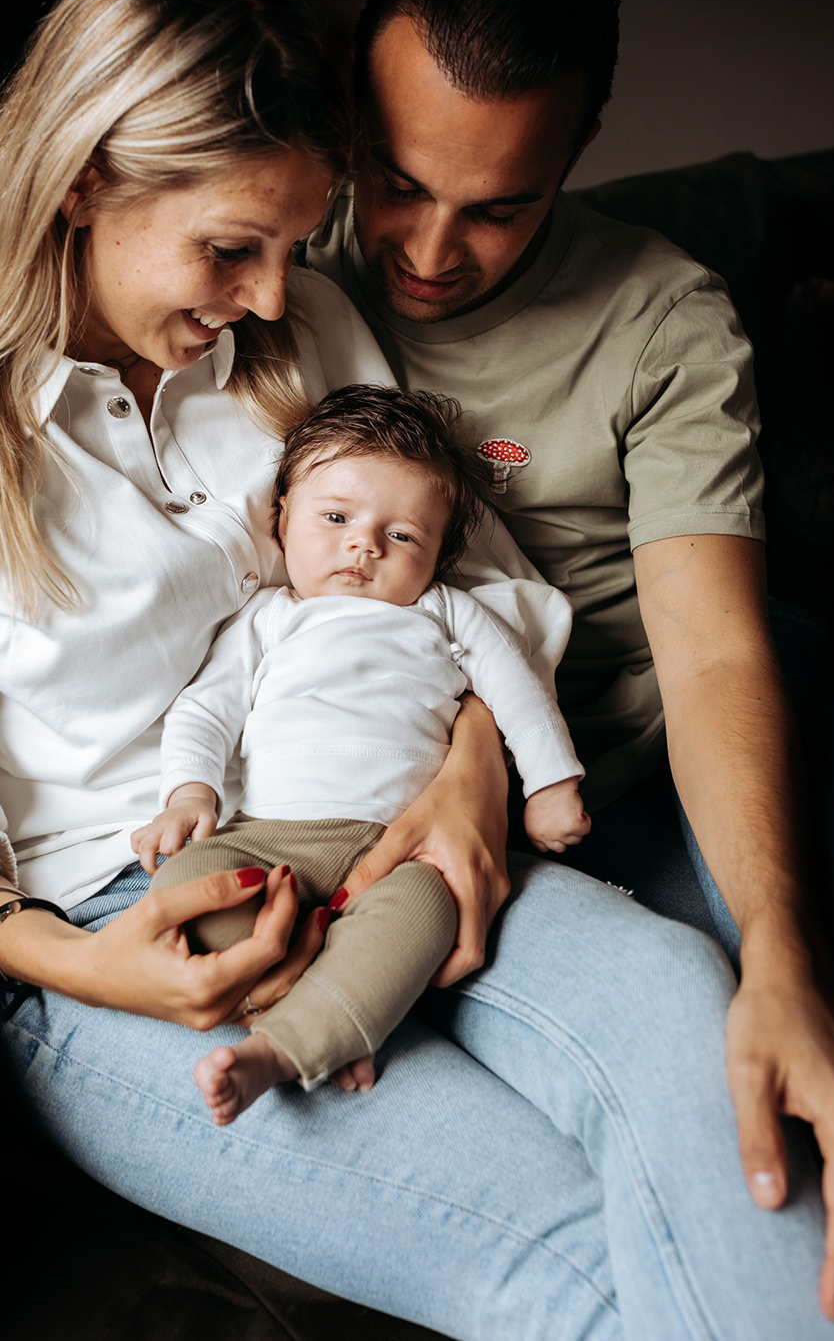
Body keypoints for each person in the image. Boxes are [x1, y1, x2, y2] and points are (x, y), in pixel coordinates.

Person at [0, 0, 834, 1340]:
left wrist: (466, 775)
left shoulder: (298, 326)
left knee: (687, 1012)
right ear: (80, 179)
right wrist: (89, 965)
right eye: (230, 248)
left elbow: (476, 578)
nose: (273, 294)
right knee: (566, 1261)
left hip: (387, 831)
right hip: (116, 917)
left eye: (285, 245)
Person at [300, 0, 834, 1322]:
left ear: (578, 153)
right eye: (397, 179)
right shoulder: (280, 265)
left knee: (801, 1051)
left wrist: (781, 948)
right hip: (427, 784)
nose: (425, 251)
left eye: (497, 206)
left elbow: (717, 648)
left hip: (655, 750)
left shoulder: (664, 317)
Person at [135, 383, 587, 1123]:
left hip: (402, 850)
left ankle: (280, 1048)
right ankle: (330, 1006)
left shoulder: (446, 613)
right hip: (270, 836)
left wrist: (550, 784)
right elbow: (206, 709)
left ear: (439, 556)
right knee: (183, 887)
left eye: (403, 535)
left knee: (423, 921)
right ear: (281, 520)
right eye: (337, 517)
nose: (364, 545)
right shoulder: (270, 619)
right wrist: (191, 794)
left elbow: (521, 696)